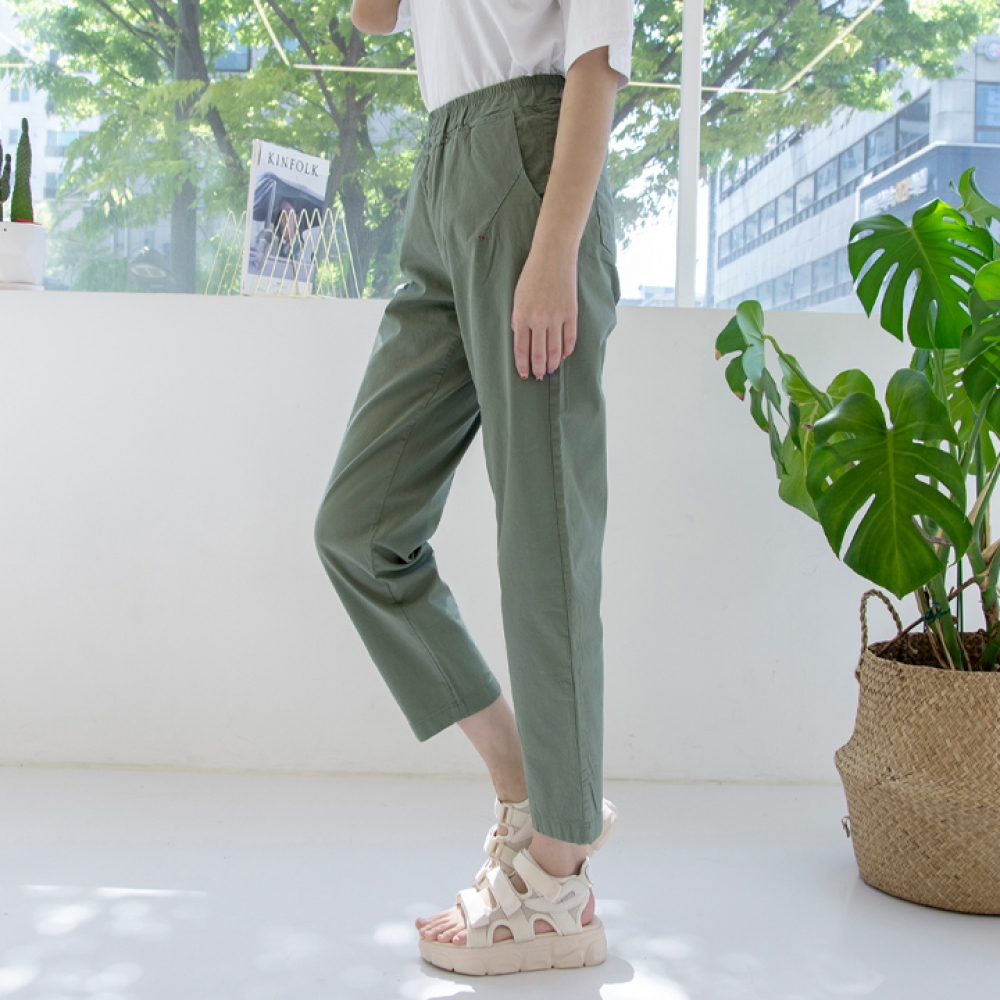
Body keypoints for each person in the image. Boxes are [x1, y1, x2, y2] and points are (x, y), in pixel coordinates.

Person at [314, 0, 633, 977]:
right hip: (441, 169)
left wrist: (555, 248)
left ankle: (559, 875)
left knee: (543, 533)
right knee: (359, 528)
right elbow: (373, 18)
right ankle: (522, 772)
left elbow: (598, 56)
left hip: (536, 160)